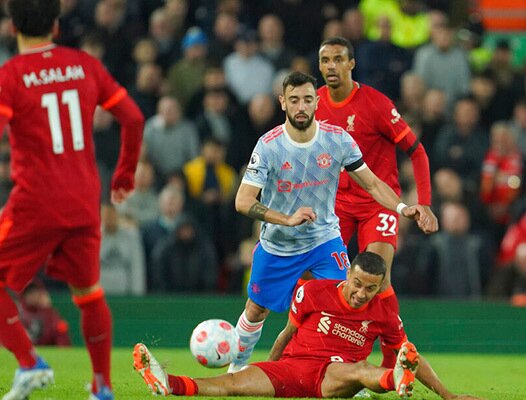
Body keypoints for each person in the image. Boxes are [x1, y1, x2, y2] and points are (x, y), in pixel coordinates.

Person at [0, 1, 145, 399]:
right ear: (57, 26)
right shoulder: (85, 65)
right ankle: (102, 387)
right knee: (89, 293)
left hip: (36, 201)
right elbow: (133, 117)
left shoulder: (8, 76)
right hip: (83, 201)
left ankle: (29, 363)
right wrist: (124, 174)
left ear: (11, 27)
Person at [227, 71, 433, 373]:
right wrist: (286, 219)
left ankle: (348, 375)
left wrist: (404, 208)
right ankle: (237, 369)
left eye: (307, 100)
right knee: (257, 309)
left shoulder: (337, 140)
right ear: (283, 102)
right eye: (294, 100)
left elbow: (373, 184)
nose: (301, 107)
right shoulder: (269, 146)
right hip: (278, 245)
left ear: (316, 103)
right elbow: (242, 201)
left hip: (324, 240)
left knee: (345, 305)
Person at [133, 252, 481, 400]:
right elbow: (286, 334)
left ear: (379, 286)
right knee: (233, 382)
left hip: (333, 376)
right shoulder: (311, 291)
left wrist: (448, 395)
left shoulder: (385, 313)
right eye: (357, 283)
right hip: (292, 367)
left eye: (370, 288)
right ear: (348, 273)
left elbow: (411, 356)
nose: (362, 293)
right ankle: (169, 383)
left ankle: (394, 380)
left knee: (361, 370)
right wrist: (269, 367)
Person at [315, 36, 439, 371]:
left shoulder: (376, 104)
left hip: (378, 202)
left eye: (338, 59)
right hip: (336, 204)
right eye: (325, 60)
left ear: (352, 64)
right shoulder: (313, 105)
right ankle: (330, 357)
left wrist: (423, 202)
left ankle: (391, 361)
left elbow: (418, 151)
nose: (331, 67)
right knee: (329, 280)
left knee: (377, 279)